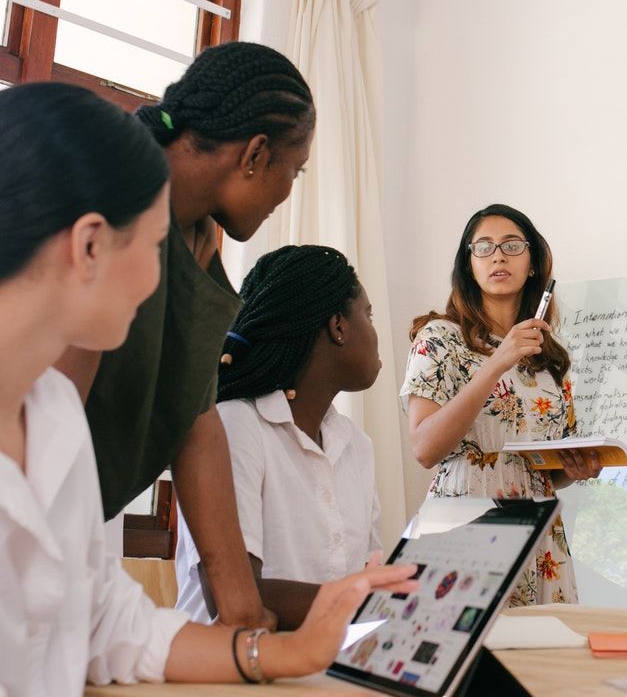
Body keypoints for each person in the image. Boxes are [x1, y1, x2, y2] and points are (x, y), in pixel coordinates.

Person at [0, 82, 416, 696]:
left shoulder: (56, 415)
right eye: (152, 248)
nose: (164, 282)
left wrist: (291, 649)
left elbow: (116, 625)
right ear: (89, 246)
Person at [54, 41, 315, 629]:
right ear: (254, 155)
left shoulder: (196, 241)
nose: (288, 192)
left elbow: (196, 425)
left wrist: (244, 614)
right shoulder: (114, 199)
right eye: (293, 172)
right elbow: (50, 420)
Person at [176, 245, 385, 630]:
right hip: (225, 675)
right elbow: (233, 597)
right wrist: (371, 599)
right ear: (338, 326)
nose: (375, 332)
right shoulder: (235, 426)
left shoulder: (357, 445)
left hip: (322, 666)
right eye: (368, 315)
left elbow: (368, 575)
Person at [403, 204, 601, 605]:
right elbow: (424, 448)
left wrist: (574, 471)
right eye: (484, 247)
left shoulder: (550, 358)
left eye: (512, 245)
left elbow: (541, 468)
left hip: (539, 529)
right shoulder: (439, 337)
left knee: (539, 660)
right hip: (466, 520)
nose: (498, 255)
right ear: (469, 265)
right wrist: (496, 362)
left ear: (532, 264)